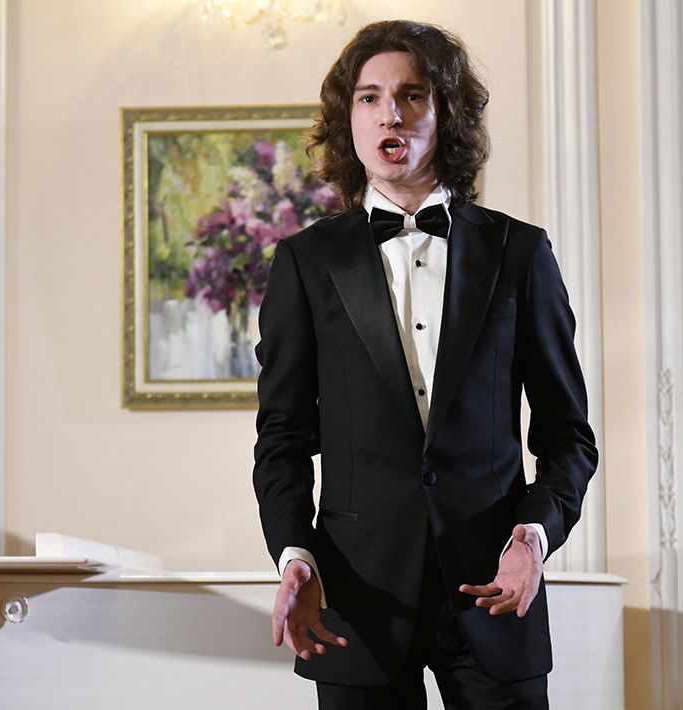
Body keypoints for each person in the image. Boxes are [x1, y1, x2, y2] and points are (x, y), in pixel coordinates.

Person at [252, 20, 598, 709]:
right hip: (355, 601)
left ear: (447, 115)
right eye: (370, 97)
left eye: (413, 95)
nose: (391, 113)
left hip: (496, 593)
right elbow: (282, 439)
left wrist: (535, 537)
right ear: (348, 120)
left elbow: (568, 437)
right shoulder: (305, 262)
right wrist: (295, 552)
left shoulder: (521, 253)